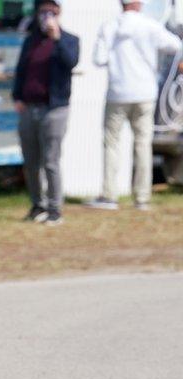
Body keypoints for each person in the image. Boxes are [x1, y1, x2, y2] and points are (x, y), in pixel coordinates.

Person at [90, 0, 182, 211]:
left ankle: (109, 195)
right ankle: (142, 198)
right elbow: (175, 45)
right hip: (145, 92)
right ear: (139, 4)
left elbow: (98, 58)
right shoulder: (150, 26)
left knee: (112, 143)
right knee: (142, 145)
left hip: (118, 92)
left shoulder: (110, 26)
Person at [12, 0, 79, 225]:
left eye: (51, 11)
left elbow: (71, 62)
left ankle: (55, 208)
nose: (46, 16)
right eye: (43, 11)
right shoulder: (31, 41)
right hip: (29, 108)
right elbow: (21, 71)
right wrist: (17, 97)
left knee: (50, 161)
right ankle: (37, 205)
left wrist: (56, 37)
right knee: (31, 161)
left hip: (54, 109)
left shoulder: (69, 40)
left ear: (58, 13)